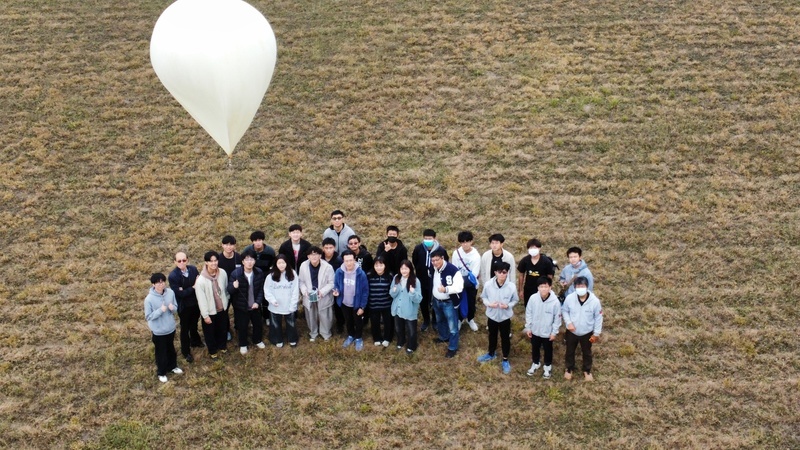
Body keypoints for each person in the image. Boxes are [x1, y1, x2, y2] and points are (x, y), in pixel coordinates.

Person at [477, 262, 519, 374]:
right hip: (492, 316)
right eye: (499, 272)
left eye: (504, 272)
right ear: (495, 272)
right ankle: (491, 353)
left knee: (505, 337)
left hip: (505, 317)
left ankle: (505, 359)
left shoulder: (511, 286)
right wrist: (489, 304)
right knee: (492, 335)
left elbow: (515, 300)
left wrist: (508, 306)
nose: (502, 274)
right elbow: (483, 297)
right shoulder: (488, 284)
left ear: (507, 272)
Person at [561, 276, 603, 381]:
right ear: (575, 287)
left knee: (587, 352)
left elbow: (598, 317)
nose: (580, 288)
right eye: (578, 286)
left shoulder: (595, 301)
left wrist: (596, 333)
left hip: (587, 332)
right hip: (572, 331)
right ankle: (569, 368)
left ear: (587, 287)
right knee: (569, 351)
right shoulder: (570, 298)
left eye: (583, 286)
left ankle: (587, 370)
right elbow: (564, 311)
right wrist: (569, 323)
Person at [144, 273, 183, 383]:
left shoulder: (170, 292)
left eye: (163, 282)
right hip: (158, 331)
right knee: (161, 352)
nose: (161, 284)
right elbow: (148, 316)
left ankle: (173, 366)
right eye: (158, 283)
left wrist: (172, 308)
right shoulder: (149, 299)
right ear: (153, 284)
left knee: (171, 348)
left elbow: (175, 308)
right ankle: (161, 372)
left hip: (170, 328)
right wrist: (160, 310)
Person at [227, 250, 266, 355]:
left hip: (255, 306)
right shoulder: (235, 274)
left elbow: (261, 289)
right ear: (243, 262)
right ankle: (243, 344)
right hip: (241, 307)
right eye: (247, 260)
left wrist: (257, 302)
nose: (249, 262)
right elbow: (229, 290)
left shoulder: (259, 272)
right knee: (242, 326)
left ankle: (257, 340)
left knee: (257, 324)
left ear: (254, 261)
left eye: (252, 259)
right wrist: (233, 287)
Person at [167, 252, 203, 363]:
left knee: (194, 324)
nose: (182, 262)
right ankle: (185, 351)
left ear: (187, 260)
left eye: (184, 260)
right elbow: (180, 294)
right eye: (179, 261)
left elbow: (198, 285)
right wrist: (193, 287)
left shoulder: (193, 269)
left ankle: (195, 341)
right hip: (184, 307)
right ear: (175, 262)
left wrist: (186, 289)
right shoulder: (173, 276)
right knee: (185, 329)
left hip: (195, 303)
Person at [195, 251, 230, 359]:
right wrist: (205, 315)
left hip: (222, 308)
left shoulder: (222, 273)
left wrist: (226, 301)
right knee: (210, 333)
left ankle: (222, 346)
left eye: (215, 261)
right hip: (210, 311)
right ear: (206, 262)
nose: (214, 263)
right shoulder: (201, 280)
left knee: (222, 329)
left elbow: (226, 288)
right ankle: (212, 351)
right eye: (211, 261)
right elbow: (201, 300)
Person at [524, 277, 561, 379]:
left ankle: (547, 366)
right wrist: (529, 327)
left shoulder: (555, 302)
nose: (543, 289)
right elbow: (529, 313)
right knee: (535, 347)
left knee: (548, 349)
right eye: (541, 287)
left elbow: (557, 319)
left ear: (550, 287)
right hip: (535, 330)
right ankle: (536, 363)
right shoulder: (533, 298)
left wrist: (554, 332)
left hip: (547, 332)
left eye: (545, 286)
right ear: (538, 288)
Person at [430, 248, 464, 358]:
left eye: (437, 260)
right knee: (440, 320)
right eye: (432, 261)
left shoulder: (452, 270)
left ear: (443, 258)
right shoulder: (434, 268)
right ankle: (444, 336)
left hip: (448, 302)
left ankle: (452, 347)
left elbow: (459, 287)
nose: (434, 263)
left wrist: (446, 290)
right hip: (436, 300)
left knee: (453, 326)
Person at [411, 229, 446, 332]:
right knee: (423, 300)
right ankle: (426, 320)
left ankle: (435, 320)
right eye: (425, 238)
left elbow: (445, 262)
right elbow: (415, 260)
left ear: (434, 239)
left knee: (435, 299)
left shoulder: (440, 250)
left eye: (429, 239)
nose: (427, 240)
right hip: (422, 279)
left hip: (435, 279)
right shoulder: (418, 248)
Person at [333, 250, 369, 351]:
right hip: (344, 302)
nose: (349, 263)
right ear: (343, 261)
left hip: (356, 303)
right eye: (346, 261)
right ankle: (350, 335)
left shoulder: (361, 274)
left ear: (354, 260)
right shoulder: (339, 272)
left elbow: (365, 291)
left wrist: (362, 307)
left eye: (350, 260)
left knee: (358, 321)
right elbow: (336, 284)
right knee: (348, 320)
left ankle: (358, 338)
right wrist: (336, 291)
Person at [298, 246, 335, 342]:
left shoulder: (327, 267)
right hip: (309, 294)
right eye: (311, 254)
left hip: (323, 294)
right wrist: (304, 291)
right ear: (308, 256)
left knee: (325, 314)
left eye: (316, 254)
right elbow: (301, 281)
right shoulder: (303, 266)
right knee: (310, 314)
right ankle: (313, 333)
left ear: (320, 256)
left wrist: (322, 292)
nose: (314, 257)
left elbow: (331, 283)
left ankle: (326, 333)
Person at [264, 254, 300, 348]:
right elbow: (267, 290)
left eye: (283, 263)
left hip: (289, 303)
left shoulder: (292, 273)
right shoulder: (270, 276)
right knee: (275, 323)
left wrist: (293, 303)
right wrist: (272, 300)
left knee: (291, 322)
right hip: (275, 305)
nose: (281, 265)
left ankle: (292, 338)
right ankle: (277, 339)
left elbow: (295, 289)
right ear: (276, 264)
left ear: (286, 263)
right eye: (279, 263)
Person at [390, 260, 422, 355]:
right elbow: (391, 294)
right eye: (402, 268)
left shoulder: (415, 280)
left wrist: (412, 293)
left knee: (411, 330)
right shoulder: (396, 278)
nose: (404, 271)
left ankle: (412, 346)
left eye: (406, 268)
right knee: (399, 328)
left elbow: (418, 299)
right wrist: (394, 290)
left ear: (410, 269)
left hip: (409, 310)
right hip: (398, 309)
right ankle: (401, 341)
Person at [452, 231, 481, 332]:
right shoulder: (457, 253)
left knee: (471, 302)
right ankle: (460, 319)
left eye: (467, 241)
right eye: (462, 242)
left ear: (471, 241)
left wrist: (463, 282)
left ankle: (470, 319)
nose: (465, 244)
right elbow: (454, 269)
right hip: (459, 282)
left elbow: (474, 274)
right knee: (459, 301)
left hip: (470, 283)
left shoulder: (476, 256)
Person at [517, 238, 556, 308]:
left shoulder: (546, 261)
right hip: (528, 289)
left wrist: (548, 289)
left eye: (535, 247)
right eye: (531, 248)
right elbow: (521, 275)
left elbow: (550, 276)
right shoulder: (525, 260)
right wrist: (520, 290)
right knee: (529, 307)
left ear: (539, 248)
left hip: (542, 289)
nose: (533, 249)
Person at [219, 235, 241, 343]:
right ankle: (226, 330)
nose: (229, 247)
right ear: (222, 245)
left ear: (234, 245)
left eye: (231, 244)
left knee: (238, 309)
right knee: (224, 311)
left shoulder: (238, 257)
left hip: (236, 290)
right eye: (226, 244)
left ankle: (238, 327)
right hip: (223, 290)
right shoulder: (218, 259)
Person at [367, 256, 393, 347]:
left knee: (388, 322)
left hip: (386, 304)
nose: (379, 267)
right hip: (373, 304)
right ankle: (377, 338)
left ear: (385, 265)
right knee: (375, 322)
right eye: (376, 265)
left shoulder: (389, 275)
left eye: (381, 265)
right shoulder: (369, 275)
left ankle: (387, 338)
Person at [322, 237, 345, 334]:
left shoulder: (339, 260)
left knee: (337, 307)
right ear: (323, 248)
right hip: (323, 287)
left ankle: (340, 324)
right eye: (326, 248)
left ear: (334, 248)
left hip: (336, 287)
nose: (328, 250)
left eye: (330, 247)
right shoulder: (320, 258)